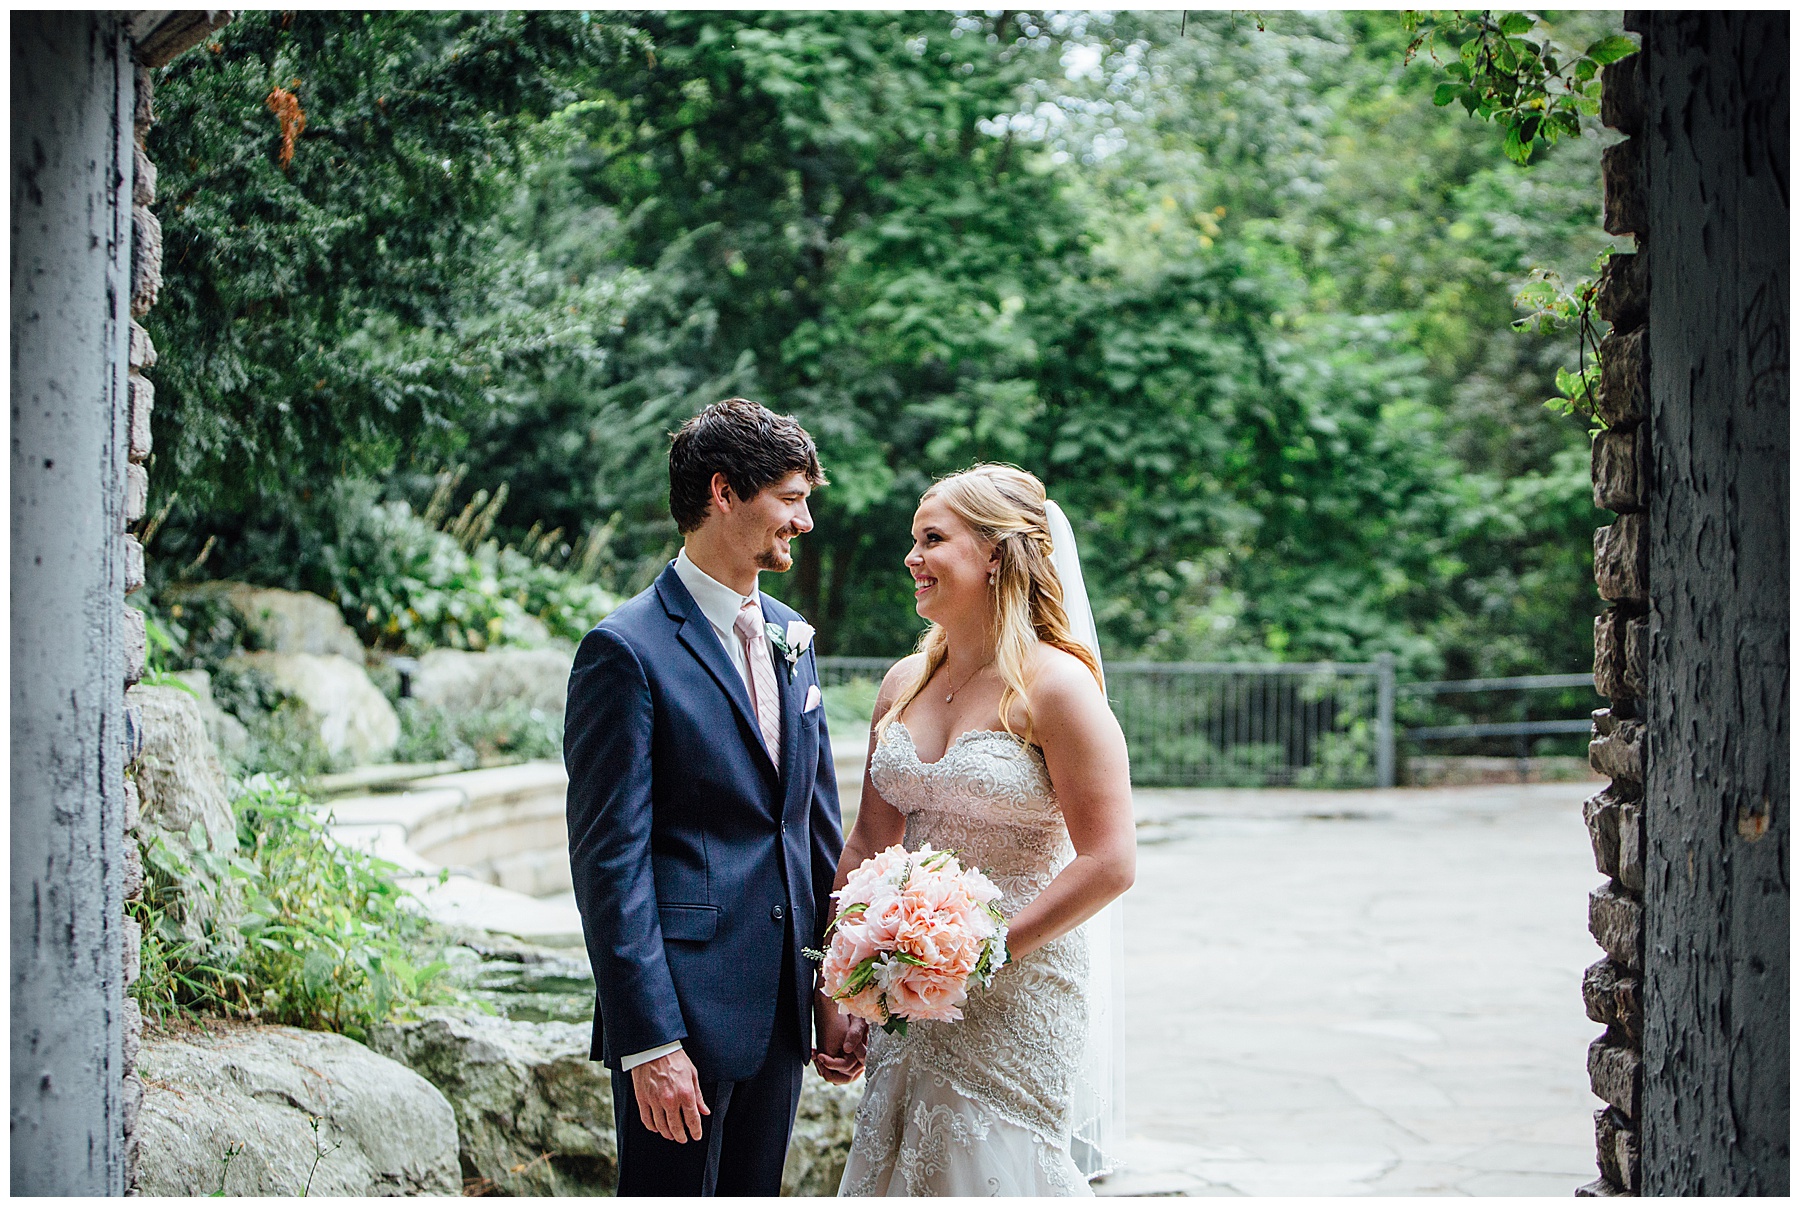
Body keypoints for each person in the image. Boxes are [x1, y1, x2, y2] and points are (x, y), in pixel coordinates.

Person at [564, 397, 857, 1196]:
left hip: (781, 1009)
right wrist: (648, 1041)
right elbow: (609, 864)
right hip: (682, 1019)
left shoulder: (793, 634)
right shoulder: (623, 651)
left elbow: (813, 829)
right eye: (791, 499)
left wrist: (834, 984)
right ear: (725, 492)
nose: (803, 520)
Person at [830, 463, 1137, 1196]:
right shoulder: (900, 684)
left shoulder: (1056, 687)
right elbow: (871, 841)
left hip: (1020, 988)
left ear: (995, 552)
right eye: (913, 539)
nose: (911, 558)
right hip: (905, 986)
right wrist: (842, 987)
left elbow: (1110, 860)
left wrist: (983, 954)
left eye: (931, 539)